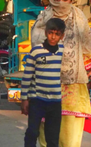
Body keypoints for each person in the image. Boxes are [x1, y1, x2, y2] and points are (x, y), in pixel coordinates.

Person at [30, 0, 91, 147]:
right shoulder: (44, 17)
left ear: (71, 0)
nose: (61, 2)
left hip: (73, 82)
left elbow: (87, 42)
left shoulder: (78, 16)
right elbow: (36, 42)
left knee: (71, 126)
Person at [22, 18, 66, 147]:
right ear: (46, 33)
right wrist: (24, 99)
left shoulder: (64, 52)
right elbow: (27, 76)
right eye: (51, 33)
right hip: (37, 100)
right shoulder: (36, 51)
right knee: (32, 132)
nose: (53, 37)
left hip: (55, 101)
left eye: (57, 34)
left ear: (61, 36)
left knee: (52, 138)